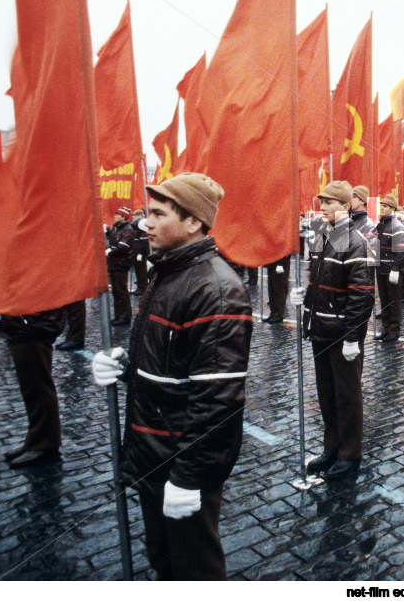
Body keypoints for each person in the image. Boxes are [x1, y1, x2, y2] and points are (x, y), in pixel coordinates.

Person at [91, 172, 250, 581]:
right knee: (164, 562)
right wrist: (125, 370)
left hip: (179, 460)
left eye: (159, 214)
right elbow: (168, 366)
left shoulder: (216, 288)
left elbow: (217, 400)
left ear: (194, 221)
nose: (147, 222)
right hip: (154, 453)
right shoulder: (171, 270)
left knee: (194, 571)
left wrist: (188, 478)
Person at [290, 181, 374, 479]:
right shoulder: (323, 237)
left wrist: (353, 337)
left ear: (345, 206)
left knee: (347, 396)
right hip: (320, 329)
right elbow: (320, 282)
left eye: (328, 202)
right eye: (321, 201)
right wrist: (304, 297)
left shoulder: (354, 241)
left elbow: (362, 295)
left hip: (341, 334)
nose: (322, 206)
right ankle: (331, 447)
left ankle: (350, 454)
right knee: (326, 393)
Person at [0, 308, 65, 468]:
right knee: (31, 386)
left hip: (31, 322)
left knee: (37, 385)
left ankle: (44, 443)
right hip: (24, 321)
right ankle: (36, 439)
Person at [374, 195, 404, 342]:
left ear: (393, 209)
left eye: (386, 206)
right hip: (380, 268)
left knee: (394, 301)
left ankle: (394, 330)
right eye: (382, 205)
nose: (382, 208)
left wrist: (395, 269)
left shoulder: (397, 225)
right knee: (384, 300)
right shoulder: (381, 224)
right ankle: (385, 328)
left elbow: (400, 251)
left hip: (391, 268)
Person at [106, 206, 136, 325]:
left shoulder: (127, 229)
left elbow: (123, 247)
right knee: (115, 291)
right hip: (113, 263)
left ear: (123, 217)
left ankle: (125, 316)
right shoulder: (115, 228)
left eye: (117, 215)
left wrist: (109, 252)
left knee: (121, 291)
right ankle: (118, 315)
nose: (114, 216)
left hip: (121, 263)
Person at [262, 255, 291, 324]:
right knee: (271, 289)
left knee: (279, 289)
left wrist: (280, 263)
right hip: (272, 262)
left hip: (280, 263)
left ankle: (279, 314)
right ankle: (273, 312)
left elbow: (286, 249)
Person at [130, 208, 151, 293]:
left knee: (141, 270)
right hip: (137, 250)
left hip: (140, 252)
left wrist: (140, 253)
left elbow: (143, 241)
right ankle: (140, 286)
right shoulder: (137, 224)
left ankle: (142, 287)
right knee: (138, 270)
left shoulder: (140, 225)